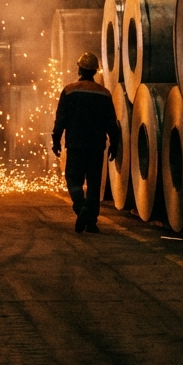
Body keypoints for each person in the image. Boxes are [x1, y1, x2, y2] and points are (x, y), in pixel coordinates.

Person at [51, 52, 118, 234]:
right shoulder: (104, 94)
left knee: (73, 180)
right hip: (96, 147)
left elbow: (61, 119)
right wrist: (115, 144)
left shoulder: (69, 90)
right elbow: (111, 122)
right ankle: (91, 222)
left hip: (76, 145)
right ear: (95, 71)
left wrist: (56, 140)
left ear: (79, 69)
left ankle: (81, 207)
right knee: (94, 184)